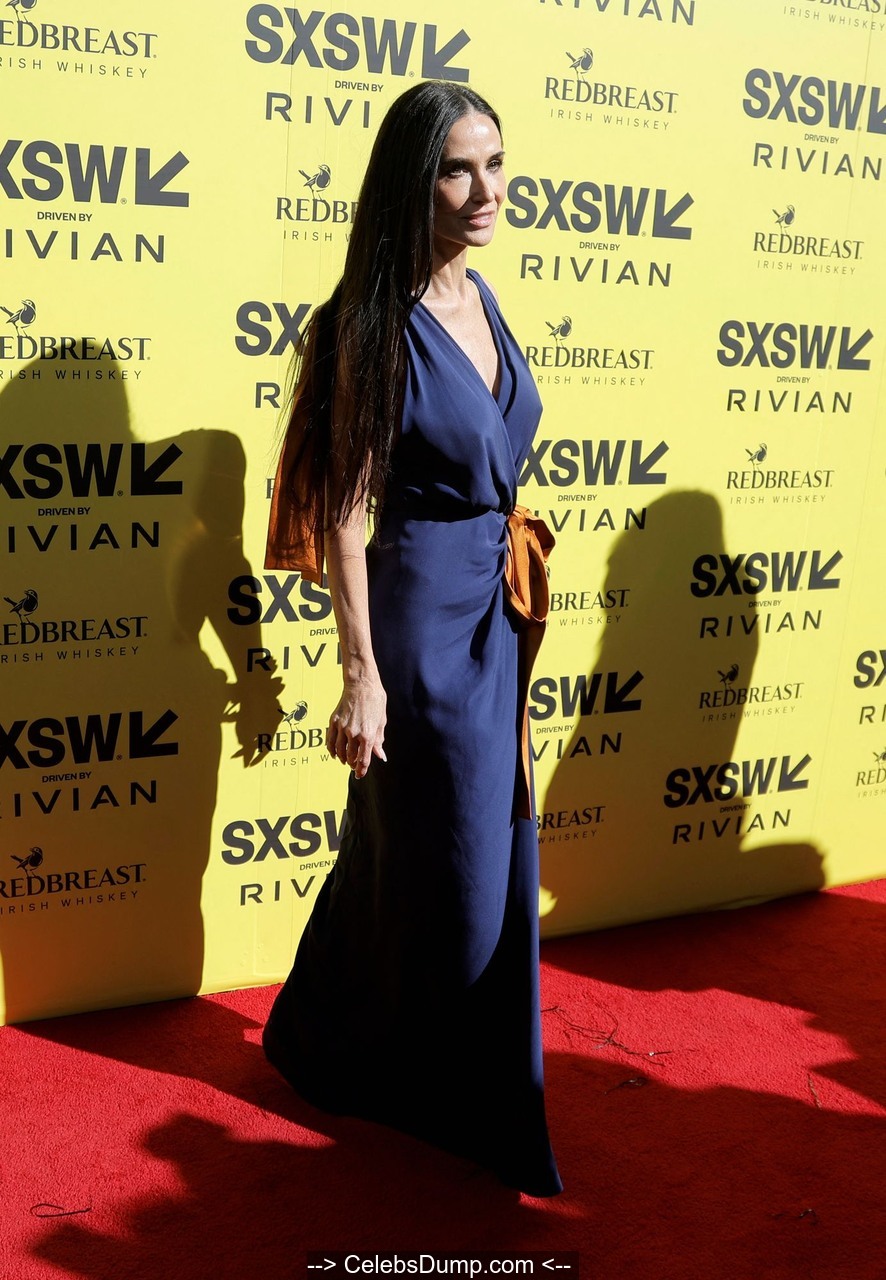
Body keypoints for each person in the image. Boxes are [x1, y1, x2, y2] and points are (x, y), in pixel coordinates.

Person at [263, 80, 562, 1198]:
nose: (486, 190)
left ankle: (328, 1038)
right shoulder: (371, 322)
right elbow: (345, 509)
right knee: (461, 865)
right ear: (411, 181)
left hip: (493, 606)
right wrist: (361, 673)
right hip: (419, 622)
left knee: (423, 852)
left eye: (496, 163)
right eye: (456, 170)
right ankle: (453, 1093)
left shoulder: (482, 297)